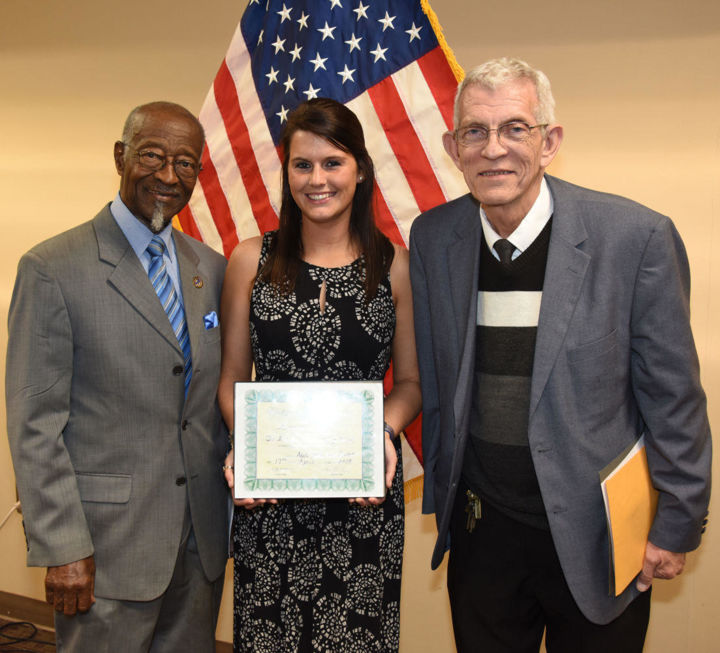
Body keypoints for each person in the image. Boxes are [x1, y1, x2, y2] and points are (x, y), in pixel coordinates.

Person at [409, 57, 712, 652]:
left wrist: (676, 522)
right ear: (453, 146)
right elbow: (441, 382)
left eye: (515, 128)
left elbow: (674, 398)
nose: (494, 149)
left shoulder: (635, 238)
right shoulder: (433, 236)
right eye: (475, 131)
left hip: (600, 534)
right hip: (483, 530)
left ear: (549, 142)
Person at [5, 101, 229, 652]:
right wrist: (61, 545)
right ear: (120, 155)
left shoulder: (211, 267)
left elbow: (210, 399)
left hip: (198, 544)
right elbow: (35, 423)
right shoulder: (53, 268)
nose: (168, 176)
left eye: (185, 164)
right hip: (104, 551)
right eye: (152, 155)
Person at [218, 97, 421, 652]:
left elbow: (411, 385)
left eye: (333, 162)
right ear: (286, 173)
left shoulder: (395, 264)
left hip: (363, 497)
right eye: (302, 165)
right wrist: (248, 446)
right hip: (271, 499)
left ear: (360, 169)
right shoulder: (249, 260)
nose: (318, 179)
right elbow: (233, 378)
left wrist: (383, 431)